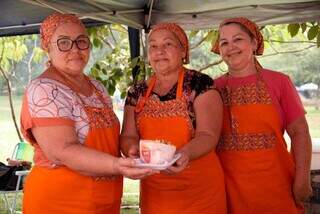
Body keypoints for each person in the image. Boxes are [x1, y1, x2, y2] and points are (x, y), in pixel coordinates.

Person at [20, 12, 155, 214]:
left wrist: (132, 151)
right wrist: (117, 165)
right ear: (48, 46)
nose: (75, 49)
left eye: (81, 41)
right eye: (64, 43)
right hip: (62, 201)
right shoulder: (44, 89)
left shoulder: (97, 87)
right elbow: (63, 150)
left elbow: (108, 141)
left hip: (103, 199)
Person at [120, 23, 227, 214]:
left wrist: (181, 155)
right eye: (153, 46)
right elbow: (128, 135)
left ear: (183, 50)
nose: (159, 51)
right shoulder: (137, 92)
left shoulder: (200, 85)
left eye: (167, 44)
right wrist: (133, 151)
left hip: (200, 192)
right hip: (155, 192)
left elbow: (208, 135)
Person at [212, 17, 313, 213]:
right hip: (227, 189)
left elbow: (300, 132)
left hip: (277, 186)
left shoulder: (279, 82)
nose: (231, 47)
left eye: (238, 39)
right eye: (224, 42)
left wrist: (302, 179)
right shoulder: (212, 88)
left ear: (254, 42)